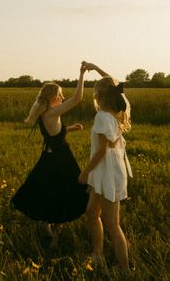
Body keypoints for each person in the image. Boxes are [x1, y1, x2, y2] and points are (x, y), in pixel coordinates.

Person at [11, 62, 90, 247]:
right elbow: (78, 98)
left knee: (47, 193)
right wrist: (81, 74)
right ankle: (55, 238)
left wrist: (70, 128)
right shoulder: (53, 113)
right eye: (60, 95)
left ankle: (46, 226)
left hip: (48, 158)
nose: (62, 97)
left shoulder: (43, 114)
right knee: (62, 195)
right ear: (52, 97)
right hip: (61, 160)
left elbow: (53, 136)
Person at [78, 62, 133, 273]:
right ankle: (97, 254)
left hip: (106, 173)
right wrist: (96, 68)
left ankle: (125, 270)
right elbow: (114, 85)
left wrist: (85, 173)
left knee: (113, 225)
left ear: (100, 97)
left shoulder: (102, 116)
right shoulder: (118, 112)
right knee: (92, 214)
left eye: (95, 94)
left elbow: (101, 151)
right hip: (108, 171)